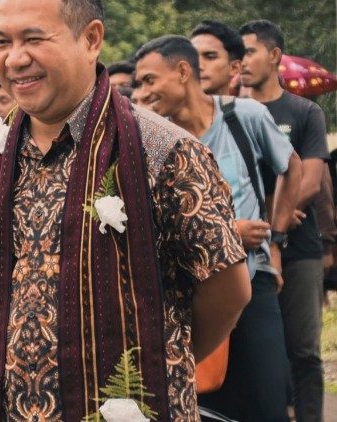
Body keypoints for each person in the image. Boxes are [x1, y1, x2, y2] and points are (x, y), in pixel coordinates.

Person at [0, 0, 251, 420]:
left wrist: (161, 358)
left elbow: (228, 289)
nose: (15, 58)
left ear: (91, 39)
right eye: (2, 41)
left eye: (34, 38)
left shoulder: (163, 150)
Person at [134, 35, 301, 420]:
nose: (144, 92)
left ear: (181, 71)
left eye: (149, 80)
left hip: (254, 276)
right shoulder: (154, 140)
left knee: (266, 399)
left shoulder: (244, 116)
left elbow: (291, 167)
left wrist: (276, 239)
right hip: (194, 291)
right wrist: (227, 234)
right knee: (207, 404)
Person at [240, 19, 329, 421]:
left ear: (274, 55)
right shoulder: (231, 111)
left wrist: (277, 221)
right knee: (261, 349)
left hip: (300, 250)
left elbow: (308, 180)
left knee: (304, 349)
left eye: (250, 52)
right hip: (246, 247)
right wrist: (266, 220)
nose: (242, 62)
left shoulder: (304, 111)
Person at [190, 20, 245, 96]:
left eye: (210, 57)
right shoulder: (170, 107)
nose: (198, 66)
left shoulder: (251, 107)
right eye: (192, 56)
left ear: (234, 67)